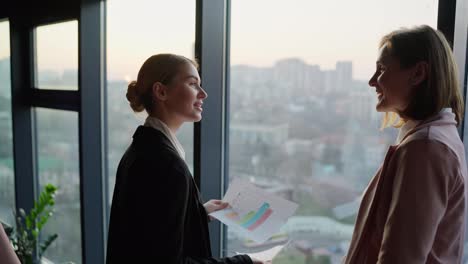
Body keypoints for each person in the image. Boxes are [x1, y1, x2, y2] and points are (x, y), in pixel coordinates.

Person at [106, 54, 263, 263]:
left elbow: (145, 228)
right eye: (192, 84)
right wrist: (246, 262)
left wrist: (195, 214)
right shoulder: (167, 164)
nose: (203, 94)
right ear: (161, 91)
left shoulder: (142, 148)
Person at [344, 25, 467, 263]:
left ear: (418, 73)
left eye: (381, 69)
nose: (372, 81)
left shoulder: (426, 148)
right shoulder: (436, 136)